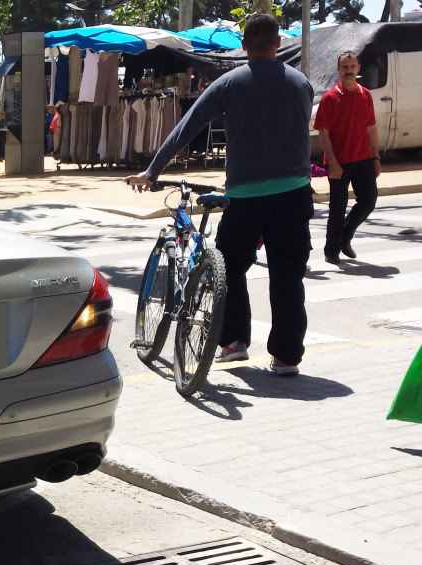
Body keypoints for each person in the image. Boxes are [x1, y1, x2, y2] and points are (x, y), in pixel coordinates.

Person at [125, 14, 315, 377]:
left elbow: (186, 127)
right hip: (294, 193)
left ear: (243, 46)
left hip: (245, 195)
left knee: (228, 269)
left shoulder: (229, 83)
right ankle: (287, 357)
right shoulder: (300, 83)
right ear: (278, 43)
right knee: (288, 275)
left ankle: (233, 342)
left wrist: (153, 171)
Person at [315, 51, 379, 264]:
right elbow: (323, 132)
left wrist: (376, 158)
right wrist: (332, 162)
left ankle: (345, 236)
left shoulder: (366, 95)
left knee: (369, 200)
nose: (349, 71)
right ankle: (331, 250)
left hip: (363, 159)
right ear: (338, 70)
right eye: (345, 67)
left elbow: (372, 129)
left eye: (352, 67)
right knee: (338, 207)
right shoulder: (329, 98)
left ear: (359, 68)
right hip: (338, 161)